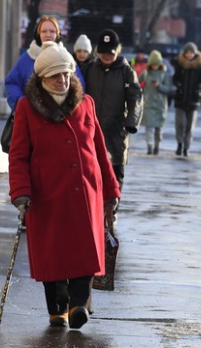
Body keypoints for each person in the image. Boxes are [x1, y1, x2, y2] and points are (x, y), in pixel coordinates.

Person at [8, 41, 120, 330]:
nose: (63, 81)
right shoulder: (27, 108)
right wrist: (20, 191)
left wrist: (111, 191)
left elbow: (99, 150)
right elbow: (19, 155)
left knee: (84, 251)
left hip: (85, 191)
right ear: (43, 79)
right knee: (53, 254)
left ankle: (79, 305)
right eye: (56, 76)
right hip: (47, 194)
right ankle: (58, 309)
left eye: (67, 74)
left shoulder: (86, 104)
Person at [80, 29, 143, 192]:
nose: (106, 56)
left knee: (115, 174)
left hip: (116, 129)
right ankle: (96, 210)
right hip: (92, 130)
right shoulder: (89, 70)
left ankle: (112, 210)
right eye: (103, 52)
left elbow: (134, 96)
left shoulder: (126, 73)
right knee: (91, 171)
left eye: (110, 53)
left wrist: (131, 121)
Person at [5, 16, 85, 113]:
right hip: (32, 117)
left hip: (61, 117)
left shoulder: (67, 58)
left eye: (52, 31)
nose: (48, 35)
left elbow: (79, 85)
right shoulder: (27, 58)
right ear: (38, 34)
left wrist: (68, 107)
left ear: (58, 34)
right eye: (44, 31)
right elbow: (12, 82)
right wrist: (21, 104)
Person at [172, 42, 201, 157]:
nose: (189, 55)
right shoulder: (180, 64)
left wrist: (199, 91)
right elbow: (174, 78)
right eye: (187, 52)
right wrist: (179, 85)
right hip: (180, 98)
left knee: (190, 125)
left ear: (195, 54)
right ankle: (179, 144)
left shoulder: (199, 66)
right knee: (180, 124)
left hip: (193, 99)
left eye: (191, 53)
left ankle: (187, 147)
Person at [138, 50, 175, 155]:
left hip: (160, 105)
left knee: (159, 128)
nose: (155, 66)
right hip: (148, 103)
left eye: (157, 64)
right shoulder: (145, 73)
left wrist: (159, 86)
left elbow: (169, 89)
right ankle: (149, 146)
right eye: (153, 64)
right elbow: (135, 80)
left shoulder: (164, 74)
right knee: (148, 128)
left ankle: (157, 146)